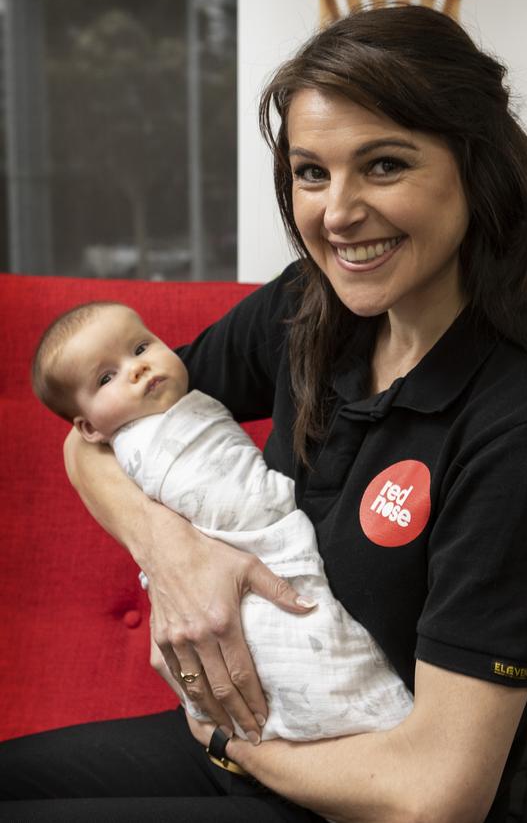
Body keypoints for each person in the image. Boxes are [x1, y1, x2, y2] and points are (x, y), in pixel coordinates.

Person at [0, 4, 527, 823]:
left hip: (350, 797)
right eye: (311, 172)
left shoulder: (522, 425)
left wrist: (225, 739)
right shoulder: (308, 307)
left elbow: (437, 794)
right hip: (250, 747)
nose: (336, 212)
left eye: (384, 165)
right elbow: (92, 439)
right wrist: (170, 552)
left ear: (477, 165)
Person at [30, 301, 413, 742]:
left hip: (300, 747)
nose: (136, 369)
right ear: (91, 426)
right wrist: (169, 555)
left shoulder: (164, 391)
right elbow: (78, 451)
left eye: (141, 347)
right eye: (105, 378)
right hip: (247, 595)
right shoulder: (298, 301)